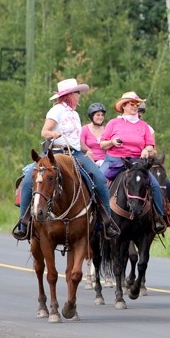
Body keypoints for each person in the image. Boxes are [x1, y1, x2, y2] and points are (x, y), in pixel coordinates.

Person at [12, 79, 120, 241]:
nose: (79, 96)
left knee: (99, 179)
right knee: (28, 181)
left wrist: (87, 149)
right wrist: (53, 134)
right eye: (76, 93)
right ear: (68, 95)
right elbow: (45, 131)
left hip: (75, 153)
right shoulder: (56, 111)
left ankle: (106, 221)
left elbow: (75, 139)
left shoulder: (75, 114)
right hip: (54, 153)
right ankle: (24, 223)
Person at [100, 91, 170, 234]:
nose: (135, 106)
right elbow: (102, 144)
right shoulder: (113, 123)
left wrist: (146, 149)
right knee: (98, 181)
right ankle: (97, 218)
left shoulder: (143, 126)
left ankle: (159, 217)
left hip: (137, 162)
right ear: (124, 106)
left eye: (136, 104)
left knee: (156, 185)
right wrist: (112, 142)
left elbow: (151, 145)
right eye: (132, 104)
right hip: (114, 160)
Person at [136, 100, 170, 228]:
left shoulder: (148, 128)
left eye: (141, 112)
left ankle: (167, 211)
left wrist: (148, 153)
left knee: (167, 183)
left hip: (145, 163)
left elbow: (153, 150)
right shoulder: (120, 124)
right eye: (137, 111)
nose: (139, 114)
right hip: (127, 161)